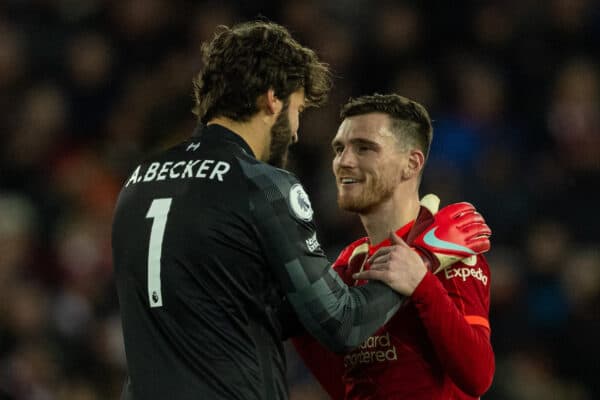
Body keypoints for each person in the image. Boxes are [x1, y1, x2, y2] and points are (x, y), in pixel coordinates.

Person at [112, 21, 488, 400]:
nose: (294, 131)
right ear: (273, 99)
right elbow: (342, 324)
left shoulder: (137, 182)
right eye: (297, 109)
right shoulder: (262, 184)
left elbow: (251, 312)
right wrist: (423, 257)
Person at [292, 93, 495, 399]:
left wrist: (422, 284)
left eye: (364, 148)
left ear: (411, 163)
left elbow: (478, 376)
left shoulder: (453, 250)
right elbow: (345, 387)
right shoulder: (348, 265)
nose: (343, 162)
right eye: (339, 149)